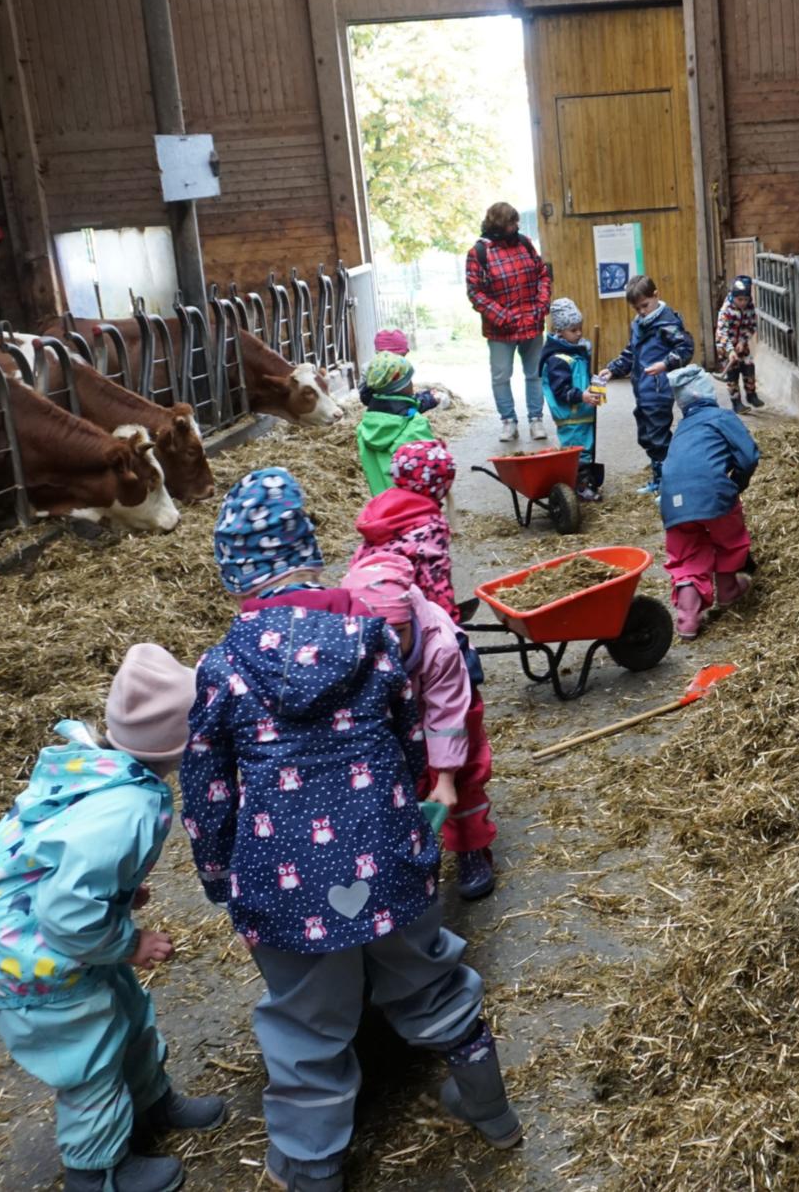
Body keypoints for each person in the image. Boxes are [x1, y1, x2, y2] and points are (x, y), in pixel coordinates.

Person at [185, 469, 520, 1192]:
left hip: (285, 882)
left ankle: (311, 1167)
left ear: (237, 577)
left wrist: (218, 875)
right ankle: (492, 1109)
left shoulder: (222, 666)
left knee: (306, 1026)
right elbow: (407, 742)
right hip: (389, 857)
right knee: (428, 979)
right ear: (310, 556)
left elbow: (208, 789)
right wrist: (412, 825)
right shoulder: (372, 638)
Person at [0, 645, 226, 1192]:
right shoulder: (128, 808)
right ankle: (97, 1172)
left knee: (129, 1012)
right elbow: (69, 911)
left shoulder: (99, 765)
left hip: (37, 928)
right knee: (90, 1057)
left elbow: (63, 856)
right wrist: (128, 942)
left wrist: (119, 890)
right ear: (182, 744)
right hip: (26, 953)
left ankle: (151, 1106)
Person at [342, 554, 499, 901]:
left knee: (463, 777)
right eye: (377, 638)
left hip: (451, 703)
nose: (390, 647)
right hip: (404, 704)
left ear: (411, 620)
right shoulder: (352, 644)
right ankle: (413, 847)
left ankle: (471, 847)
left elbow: (446, 716)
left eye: (398, 634)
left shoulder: (438, 646)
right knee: (405, 777)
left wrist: (444, 776)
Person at [659, 367, 761, 640]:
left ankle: (688, 618)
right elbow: (748, 457)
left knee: (687, 552)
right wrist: (736, 484)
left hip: (672, 502)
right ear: (706, 392)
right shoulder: (721, 417)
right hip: (713, 494)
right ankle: (727, 590)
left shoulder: (682, 429)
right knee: (728, 538)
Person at [598, 276, 695, 494]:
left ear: (656, 295)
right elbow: (631, 352)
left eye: (645, 305)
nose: (642, 311)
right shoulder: (639, 324)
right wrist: (614, 368)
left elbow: (685, 348)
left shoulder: (666, 323)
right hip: (642, 389)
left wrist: (665, 363)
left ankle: (669, 484)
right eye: (636, 307)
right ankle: (659, 478)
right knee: (646, 435)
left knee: (658, 436)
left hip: (660, 389)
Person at [466, 202, 551, 443]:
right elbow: (475, 292)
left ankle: (536, 420)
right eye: (511, 222)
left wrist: (541, 305)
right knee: (501, 376)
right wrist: (501, 316)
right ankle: (508, 421)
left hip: (531, 323)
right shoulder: (479, 253)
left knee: (535, 373)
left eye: (516, 222)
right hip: (500, 329)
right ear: (498, 225)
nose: (516, 226)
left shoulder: (524, 243)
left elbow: (542, 275)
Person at [350, 439, 458, 620]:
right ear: (442, 485)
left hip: (362, 603)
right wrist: (451, 625)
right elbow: (435, 582)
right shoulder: (430, 525)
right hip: (402, 612)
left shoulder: (382, 510)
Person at [540, 298, 602, 502]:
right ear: (559, 331)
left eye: (580, 328)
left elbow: (584, 376)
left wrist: (596, 384)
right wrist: (582, 395)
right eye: (573, 330)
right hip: (571, 417)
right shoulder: (557, 359)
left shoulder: (577, 352)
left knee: (588, 448)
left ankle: (586, 482)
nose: (579, 333)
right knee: (578, 452)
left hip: (583, 413)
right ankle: (579, 486)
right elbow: (561, 391)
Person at [355, 351, 437, 497]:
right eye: (409, 381)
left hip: (385, 508)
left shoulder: (363, 428)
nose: (412, 385)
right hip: (416, 508)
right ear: (402, 386)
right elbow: (433, 468)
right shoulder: (415, 425)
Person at [714, 275, 764, 414]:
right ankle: (736, 402)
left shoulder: (749, 307)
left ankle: (751, 395)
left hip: (741, 343)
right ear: (733, 296)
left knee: (748, 366)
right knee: (732, 373)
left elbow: (752, 325)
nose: (742, 302)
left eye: (745, 299)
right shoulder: (726, 310)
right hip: (725, 346)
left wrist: (743, 341)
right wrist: (730, 351)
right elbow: (722, 333)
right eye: (739, 299)